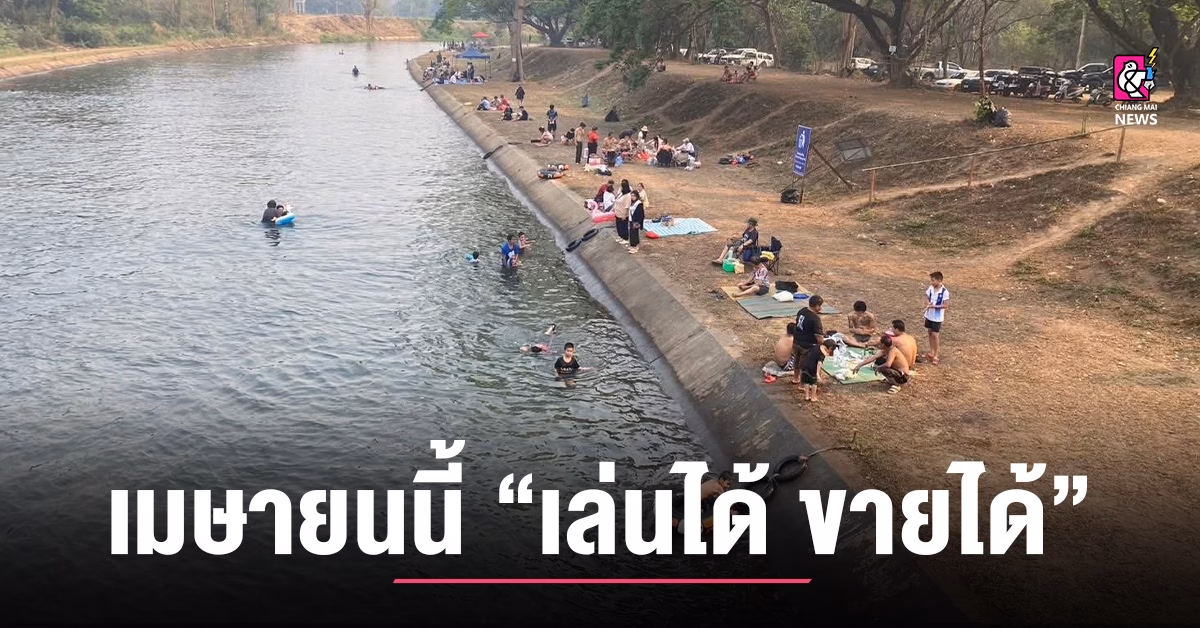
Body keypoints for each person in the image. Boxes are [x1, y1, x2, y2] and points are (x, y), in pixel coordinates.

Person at [791, 295, 825, 385]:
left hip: (796, 341)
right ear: (817, 306)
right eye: (820, 306)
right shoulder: (815, 318)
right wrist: (822, 344)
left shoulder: (802, 311)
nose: (821, 308)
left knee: (796, 361)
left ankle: (795, 378)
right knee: (805, 365)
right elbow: (819, 337)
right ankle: (802, 385)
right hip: (807, 345)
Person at [923, 271, 949, 365]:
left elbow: (945, 305)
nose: (931, 282)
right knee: (930, 332)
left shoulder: (944, 292)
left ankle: (936, 355)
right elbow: (927, 297)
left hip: (937, 317)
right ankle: (931, 352)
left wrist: (934, 306)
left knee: (935, 335)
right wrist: (928, 303)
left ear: (939, 281)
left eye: (933, 280)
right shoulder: (930, 288)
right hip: (929, 315)